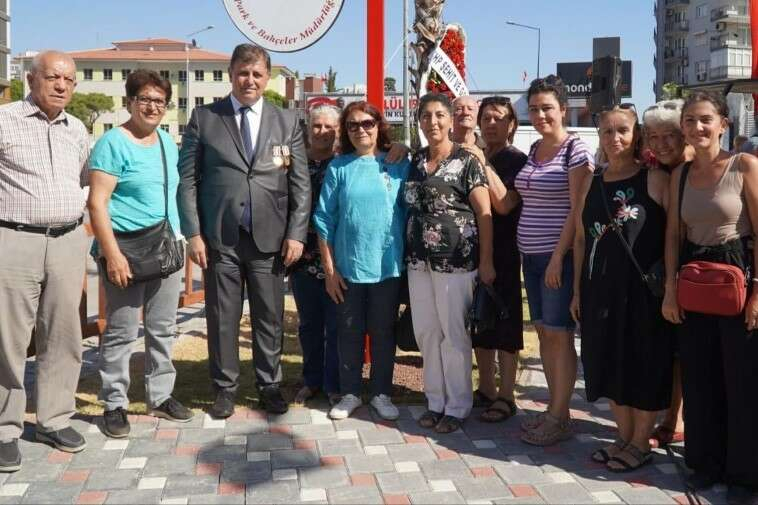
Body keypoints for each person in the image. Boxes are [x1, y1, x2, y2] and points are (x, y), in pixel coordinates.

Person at [178, 44, 310, 417]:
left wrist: (296, 233)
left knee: (269, 316)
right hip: (220, 240)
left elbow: (300, 184)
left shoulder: (286, 121)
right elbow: (186, 181)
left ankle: (269, 385)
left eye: (257, 74)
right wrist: (193, 233)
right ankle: (224, 388)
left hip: (271, 240)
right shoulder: (204, 118)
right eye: (242, 73)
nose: (249, 80)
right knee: (222, 316)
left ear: (267, 78)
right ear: (231, 74)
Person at [87, 70, 193, 438]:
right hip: (125, 250)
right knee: (121, 330)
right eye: (145, 99)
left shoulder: (166, 142)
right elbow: (97, 204)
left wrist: (182, 238)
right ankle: (114, 402)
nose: (152, 107)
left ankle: (160, 396)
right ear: (129, 100)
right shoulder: (112, 144)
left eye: (159, 101)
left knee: (163, 328)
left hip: (165, 249)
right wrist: (112, 254)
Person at [663, 91, 758, 500]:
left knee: (742, 383)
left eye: (705, 120)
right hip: (694, 281)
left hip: (737, 279)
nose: (697, 128)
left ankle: (744, 476)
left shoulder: (745, 166)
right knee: (700, 379)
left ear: (723, 123)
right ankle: (703, 464)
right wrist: (670, 288)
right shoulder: (679, 175)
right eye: (689, 121)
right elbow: (672, 235)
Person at [0, 51, 90, 469]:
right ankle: (5, 428)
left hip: (68, 241)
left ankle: (54, 419)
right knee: (9, 338)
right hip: (15, 240)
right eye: (53, 77)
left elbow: (86, 180)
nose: (61, 86)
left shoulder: (78, 129)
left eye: (69, 80)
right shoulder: (5, 120)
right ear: (30, 79)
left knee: (64, 334)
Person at [571, 105, 673, 472]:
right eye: (606, 131)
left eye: (622, 131)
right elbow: (581, 239)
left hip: (643, 292)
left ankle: (640, 441)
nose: (614, 138)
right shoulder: (591, 180)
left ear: (636, 136)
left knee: (642, 362)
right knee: (605, 360)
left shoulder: (656, 180)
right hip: (599, 288)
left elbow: (674, 239)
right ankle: (623, 434)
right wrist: (578, 291)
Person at [313, 101, 410, 421]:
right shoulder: (338, 167)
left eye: (367, 123)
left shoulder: (397, 163)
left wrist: (404, 146)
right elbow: (324, 221)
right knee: (349, 332)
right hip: (348, 268)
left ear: (378, 125)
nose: (361, 130)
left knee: (383, 332)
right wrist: (329, 269)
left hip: (387, 266)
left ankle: (382, 392)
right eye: (353, 125)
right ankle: (351, 392)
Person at [404, 93, 494, 433]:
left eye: (440, 115)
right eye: (426, 116)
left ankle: (457, 406)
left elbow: (485, 214)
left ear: (450, 119)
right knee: (426, 332)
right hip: (418, 262)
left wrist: (486, 261)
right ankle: (435, 401)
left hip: (456, 262)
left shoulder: (466, 160)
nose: (433, 122)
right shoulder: (414, 161)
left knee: (453, 335)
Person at [515, 75, 594, 446]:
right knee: (545, 334)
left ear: (563, 109)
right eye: (534, 108)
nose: (540, 114)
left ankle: (560, 415)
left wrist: (557, 258)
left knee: (560, 337)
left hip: (554, 259)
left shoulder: (575, 150)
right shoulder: (534, 150)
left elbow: (576, 211)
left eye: (547, 107)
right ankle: (552, 410)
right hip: (530, 257)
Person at [468, 96, 528, 423]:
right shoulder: (475, 154)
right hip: (472, 253)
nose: (491, 123)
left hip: (504, 254)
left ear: (512, 125)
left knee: (505, 325)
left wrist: (482, 162)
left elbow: (504, 204)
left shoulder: (517, 160)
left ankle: (507, 396)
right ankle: (487, 388)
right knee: (481, 322)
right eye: (486, 118)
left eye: (499, 118)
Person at [641, 99, 690, 448]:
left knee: (686, 351)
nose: (661, 143)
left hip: (695, 266)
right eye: (653, 136)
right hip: (662, 271)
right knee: (671, 350)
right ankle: (672, 417)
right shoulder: (656, 171)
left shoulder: (692, 168)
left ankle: (678, 420)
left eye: (669, 135)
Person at [290, 104, 341, 406]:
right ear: (308, 128)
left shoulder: (345, 163)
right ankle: (311, 380)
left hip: (338, 260)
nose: (321, 132)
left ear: (338, 130)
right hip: (302, 258)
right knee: (309, 324)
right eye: (316, 126)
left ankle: (334, 384)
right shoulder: (293, 163)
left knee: (336, 325)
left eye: (328, 127)